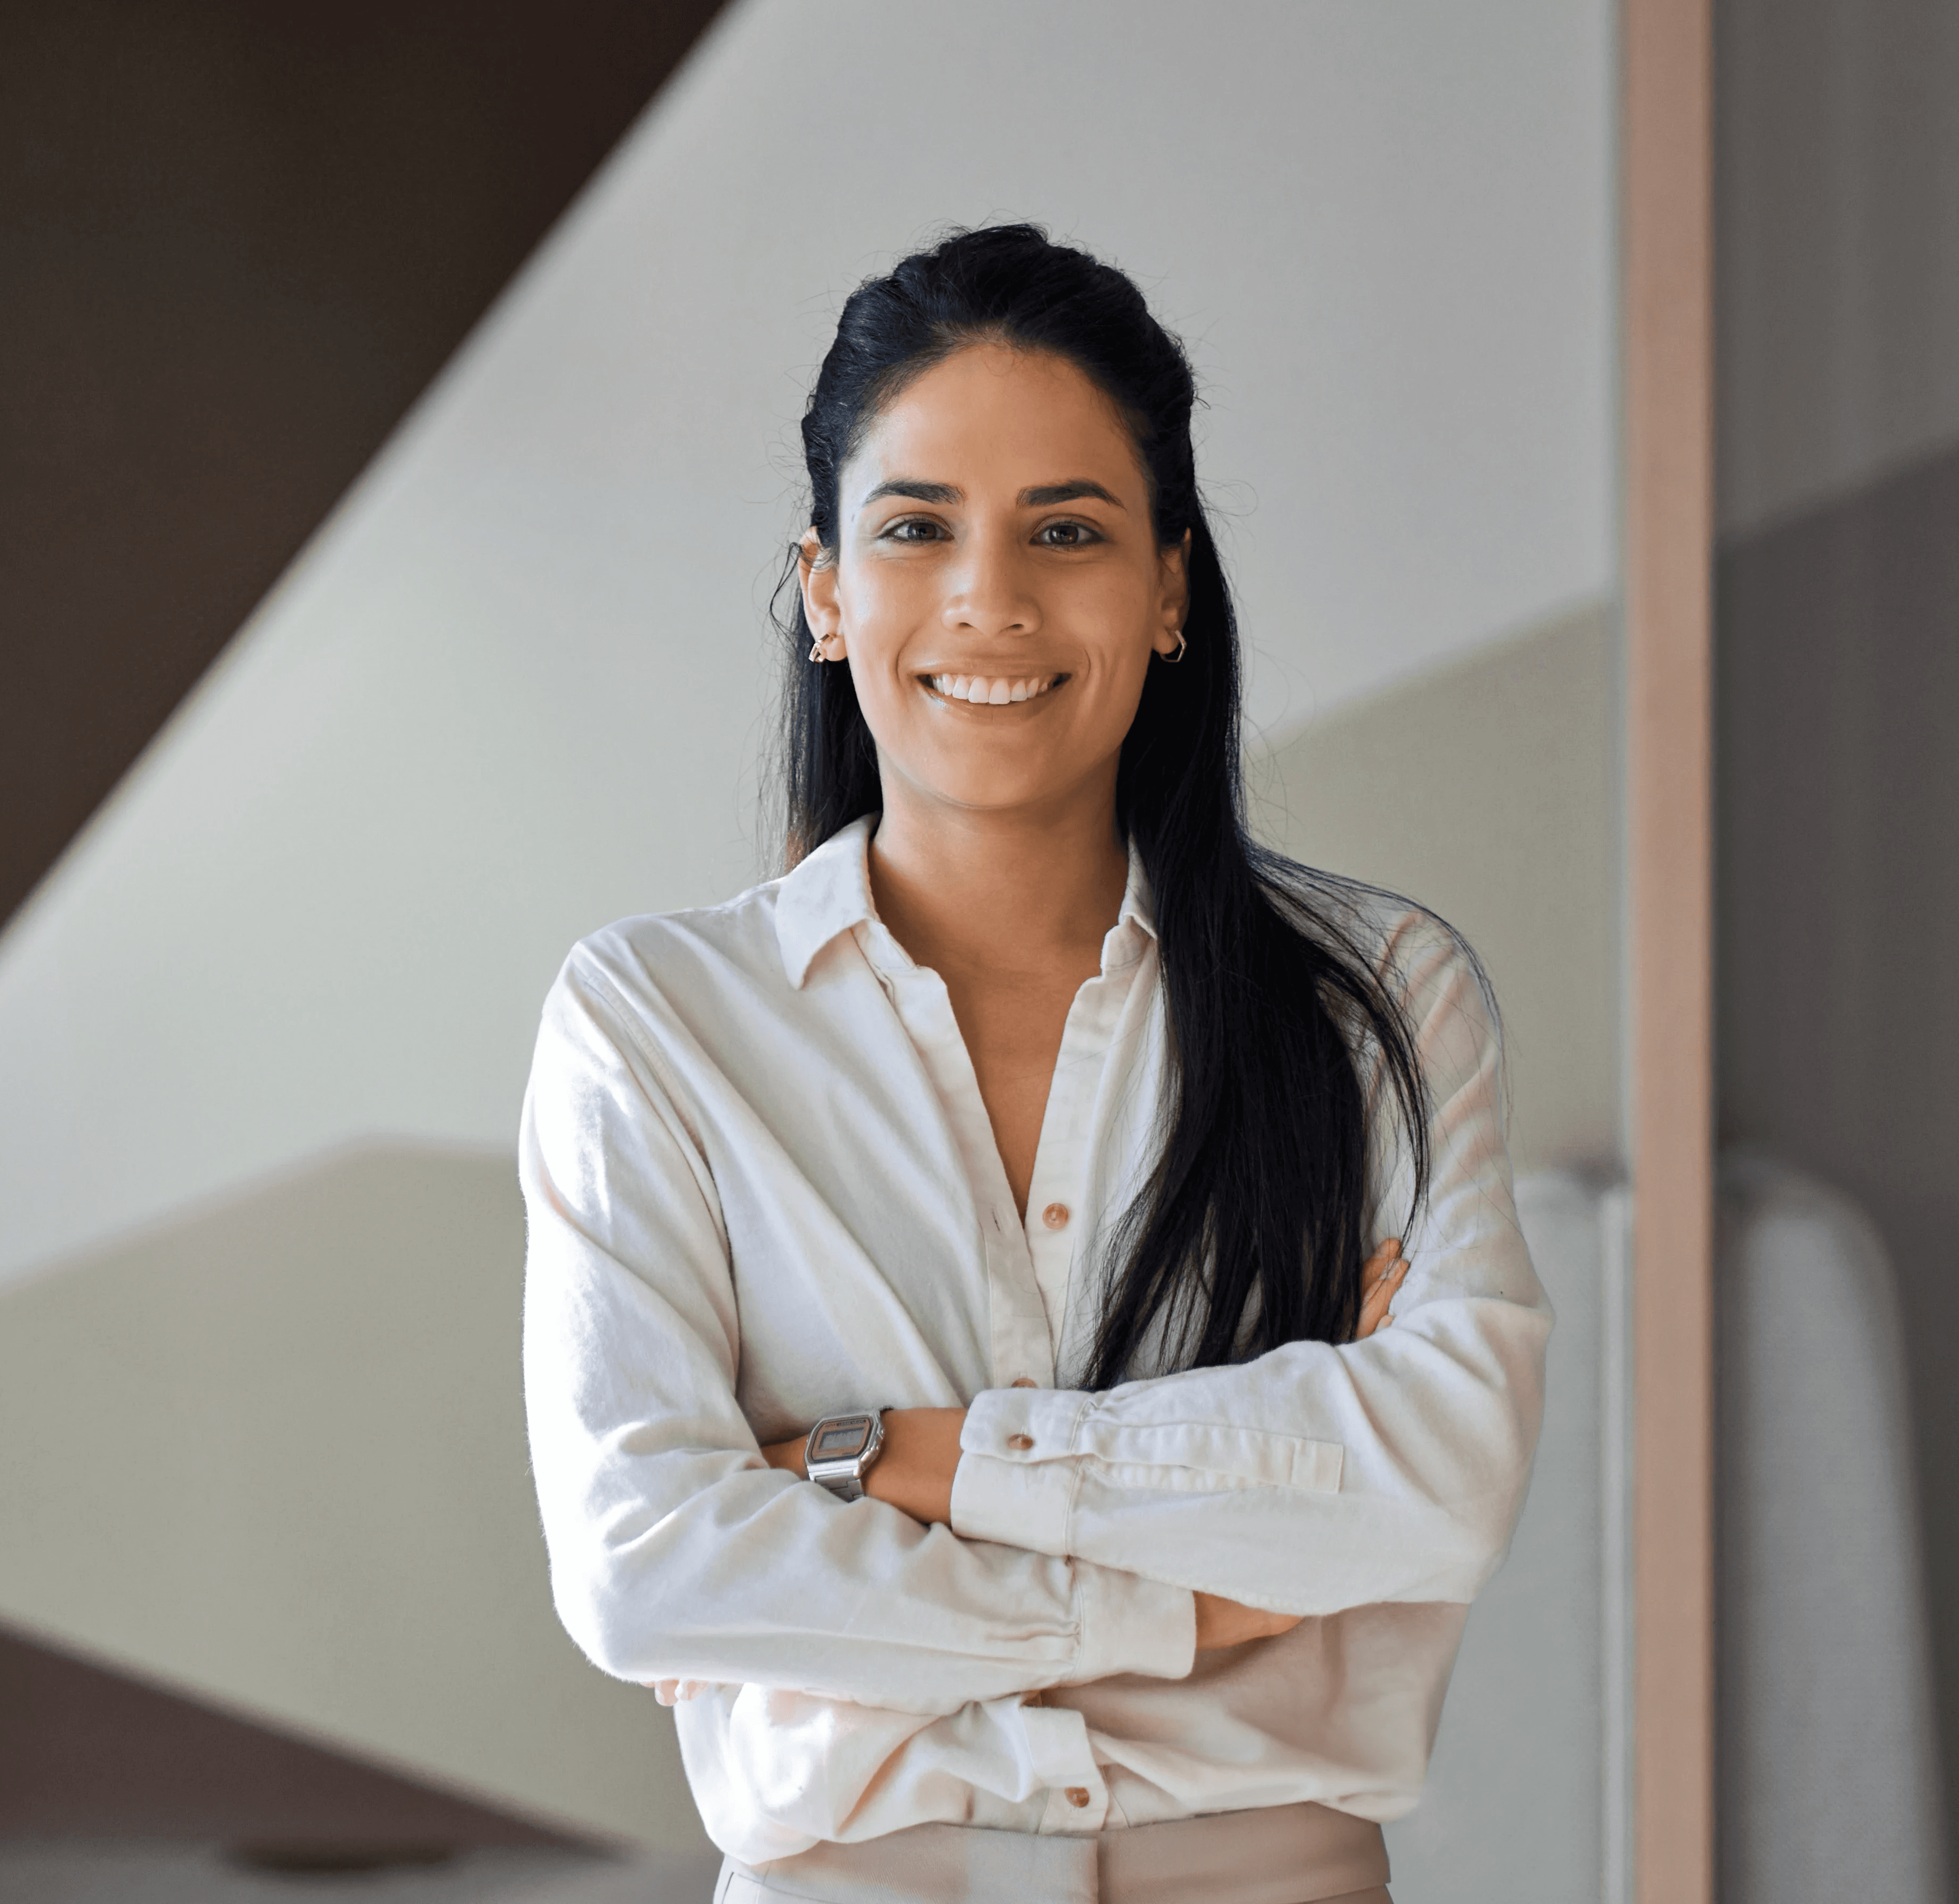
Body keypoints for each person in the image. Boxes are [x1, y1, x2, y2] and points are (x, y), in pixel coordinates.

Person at [519, 224, 1550, 1904]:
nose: (989, 599)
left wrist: (907, 1461)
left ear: (1166, 591)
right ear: (826, 593)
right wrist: (1195, 1591)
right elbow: (645, 1560)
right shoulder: (656, 1021)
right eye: (916, 528)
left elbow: (1434, 1478)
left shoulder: (1375, 999)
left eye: (1065, 531)